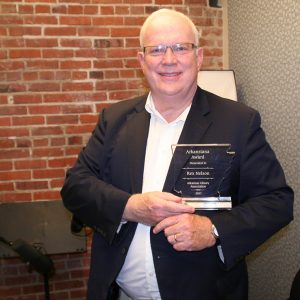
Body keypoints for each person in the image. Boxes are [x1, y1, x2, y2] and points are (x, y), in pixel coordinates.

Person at [61, 8, 294, 300]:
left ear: (198, 58)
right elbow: (75, 187)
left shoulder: (237, 122)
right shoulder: (115, 119)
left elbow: (277, 203)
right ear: (141, 61)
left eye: (180, 48)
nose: (168, 59)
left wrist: (212, 230)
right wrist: (131, 207)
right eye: (156, 49)